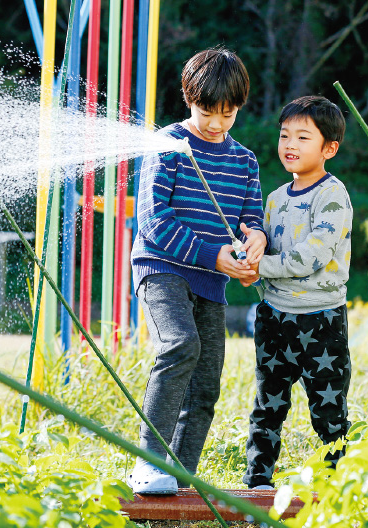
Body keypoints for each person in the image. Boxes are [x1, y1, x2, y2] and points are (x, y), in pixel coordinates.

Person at [128, 48, 267, 495]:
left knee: (207, 380)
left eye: (227, 115)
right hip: (162, 267)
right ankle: (148, 462)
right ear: (189, 97)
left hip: (212, 281)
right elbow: (153, 221)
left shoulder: (245, 162)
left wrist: (254, 246)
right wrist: (212, 255)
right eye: (207, 112)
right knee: (180, 344)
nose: (215, 124)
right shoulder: (168, 145)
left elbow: (253, 220)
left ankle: (178, 478)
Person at [239, 96, 354, 490]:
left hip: (322, 321)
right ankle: (258, 479)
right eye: (285, 135)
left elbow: (312, 257)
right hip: (274, 318)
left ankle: (335, 483)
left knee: (328, 410)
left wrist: (261, 267)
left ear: (329, 148)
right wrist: (247, 266)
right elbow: (265, 253)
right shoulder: (274, 199)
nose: (291, 144)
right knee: (268, 403)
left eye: (304, 137)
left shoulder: (332, 196)